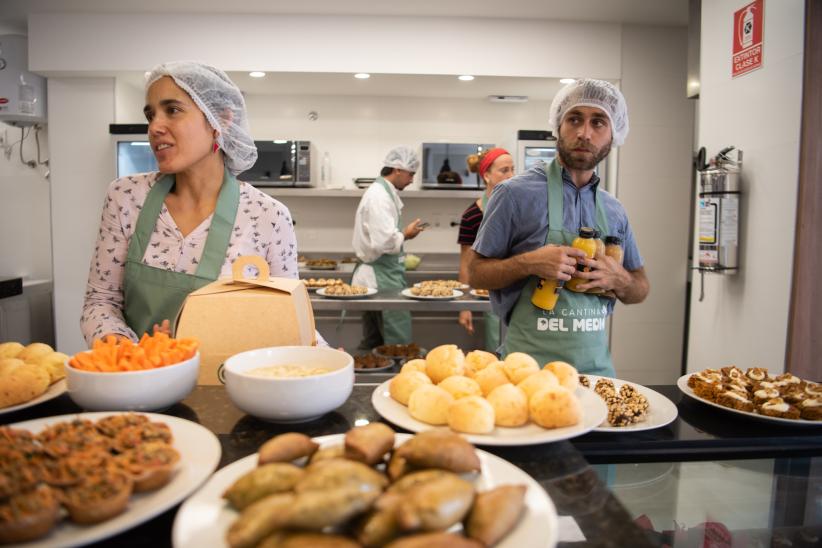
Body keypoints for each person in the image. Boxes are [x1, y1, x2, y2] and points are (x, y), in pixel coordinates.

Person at [81, 61, 303, 345]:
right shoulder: (126, 197)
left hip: (231, 385)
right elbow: (100, 301)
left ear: (221, 120)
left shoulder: (268, 216)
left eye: (172, 110)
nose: (154, 127)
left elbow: (289, 321)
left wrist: (324, 359)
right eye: (150, 115)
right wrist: (131, 353)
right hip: (138, 381)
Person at [466, 79, 649, 376]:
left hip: (596, 376)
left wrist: (621, 280)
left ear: (614, 133)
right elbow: (474, 273)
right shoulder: (514, 195)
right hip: (526, 376)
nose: (584, 132)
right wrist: (528, 263)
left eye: (598, 122)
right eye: (574, 119)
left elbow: (640, 287)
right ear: (558, 126)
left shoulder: (614, 209)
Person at [352, 146, 425, 348]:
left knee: (375, 340)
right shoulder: (379, 197)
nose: (412, 180)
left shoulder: (385, 193)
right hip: (380, 279)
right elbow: (383, 242)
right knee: (396, 343)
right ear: (397, 169)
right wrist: (406, 234)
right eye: (411, 174)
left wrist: (402, 236)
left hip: (383, 276)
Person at [458, 148, 514, 352]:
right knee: (496, 353)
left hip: (519, 295)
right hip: (489, 296)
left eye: (512, 169)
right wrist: (464, 304)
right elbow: (466, 263)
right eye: (504, 170)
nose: (510, 175)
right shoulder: (472, 216)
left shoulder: (519, 208)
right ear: (486, 176)